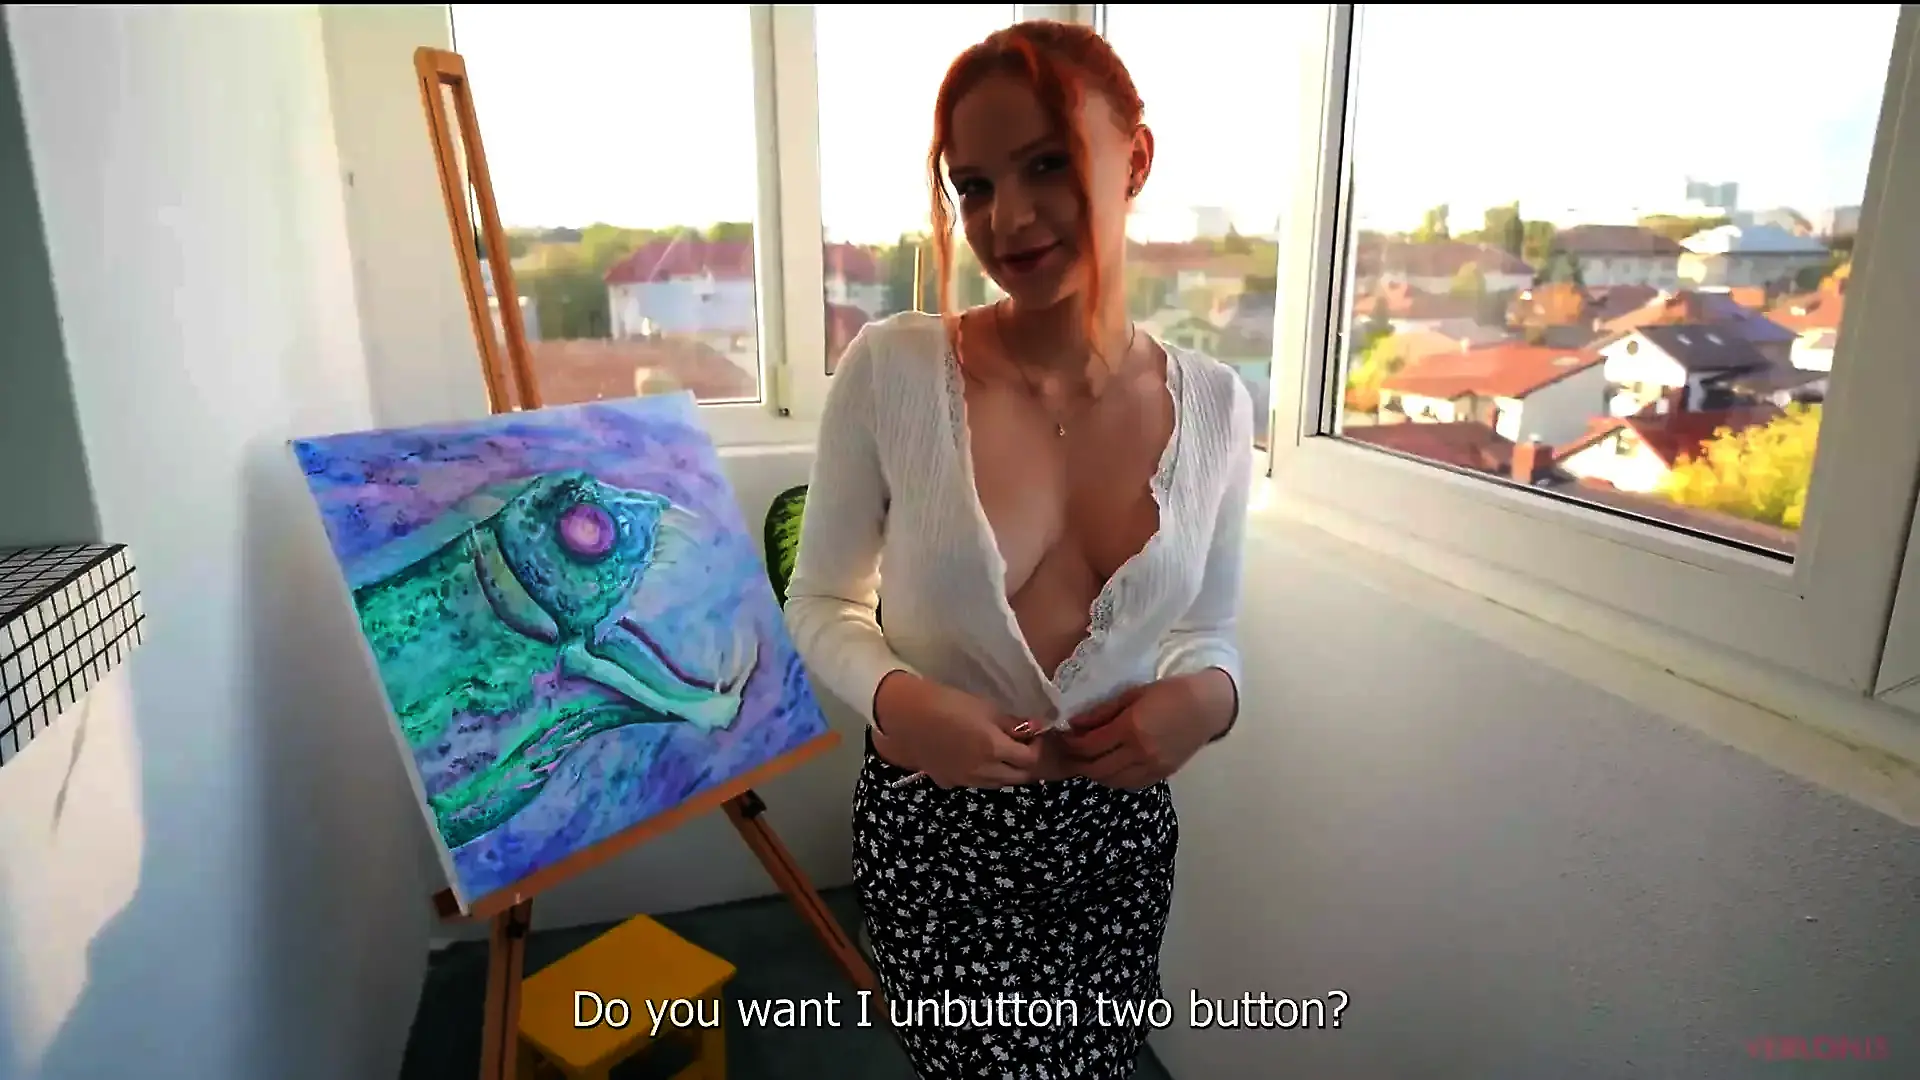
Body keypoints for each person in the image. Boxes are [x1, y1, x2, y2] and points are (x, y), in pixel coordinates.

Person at [782, 18, 1252, 1079]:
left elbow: (1210, 629)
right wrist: (900, 702)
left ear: (1134, 159)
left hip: (1115, 844)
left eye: (1047, 164)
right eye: (975, 185)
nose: (1008, 218)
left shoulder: (1218, 407)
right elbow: (821, 602)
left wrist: (1211, 702)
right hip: (936, 835)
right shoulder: (892, 372)